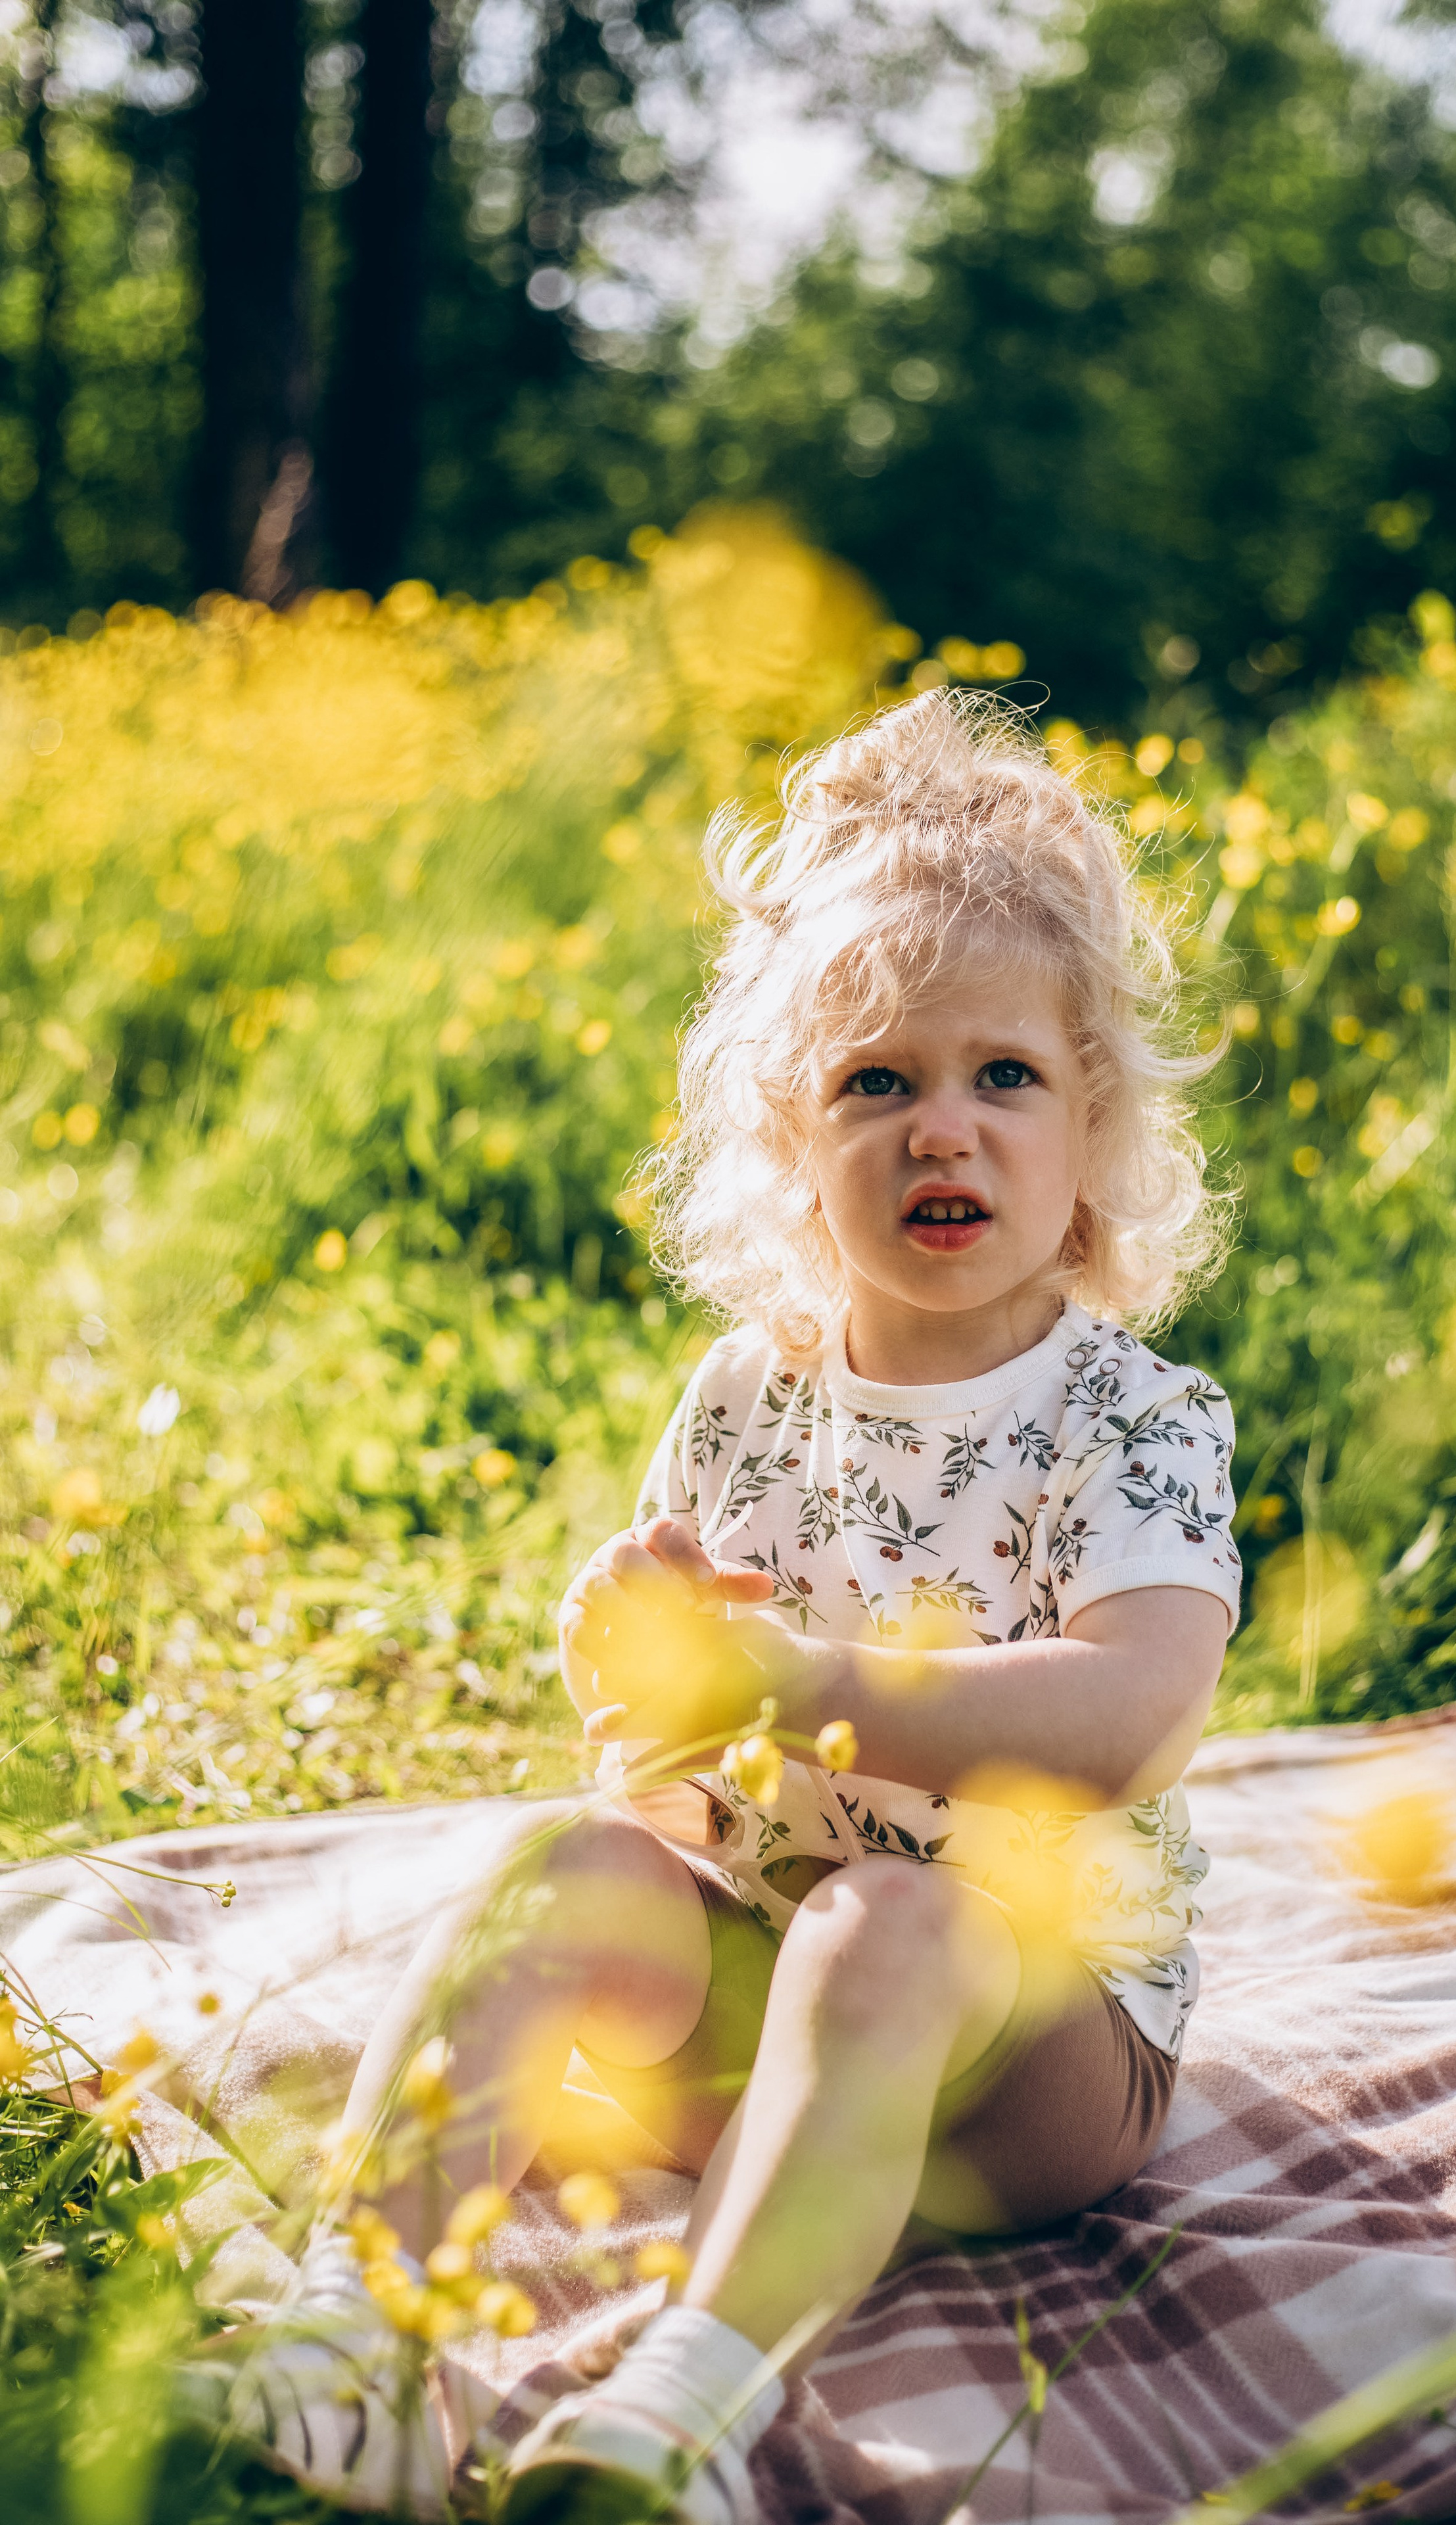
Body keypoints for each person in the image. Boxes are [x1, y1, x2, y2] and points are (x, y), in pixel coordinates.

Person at [208, 690, 1241, 2522]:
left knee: (889, 1921)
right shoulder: (750, 1395)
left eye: (1004, 1077)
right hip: (751, 2005)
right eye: (876, 1083)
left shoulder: (1133, 1419)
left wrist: (806, 1683)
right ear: (790, 1140)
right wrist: (643, 1664)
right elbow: (670, 1761)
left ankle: (678, 2414)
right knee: (563, 1862)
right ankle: (349, 2340)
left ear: (1097, 1126)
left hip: (1029, 2057)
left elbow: (1130, 1719)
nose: (942, 1131)